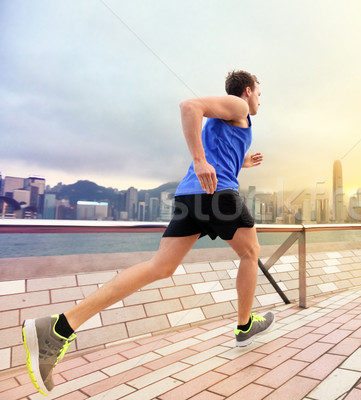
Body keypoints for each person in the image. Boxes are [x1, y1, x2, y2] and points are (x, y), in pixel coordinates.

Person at [22, 70, 275, 395]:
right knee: (251, 252)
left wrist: (241, 163)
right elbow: (189, 106)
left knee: (160, 267)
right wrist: (199, 160)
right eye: (259, 94)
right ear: (248, 90)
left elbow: (219, 155)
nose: (258, 101)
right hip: (217, 194)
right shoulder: (238, 107)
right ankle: (244, 326)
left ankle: (59, 327)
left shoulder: (229, 121)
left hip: (191, 196)